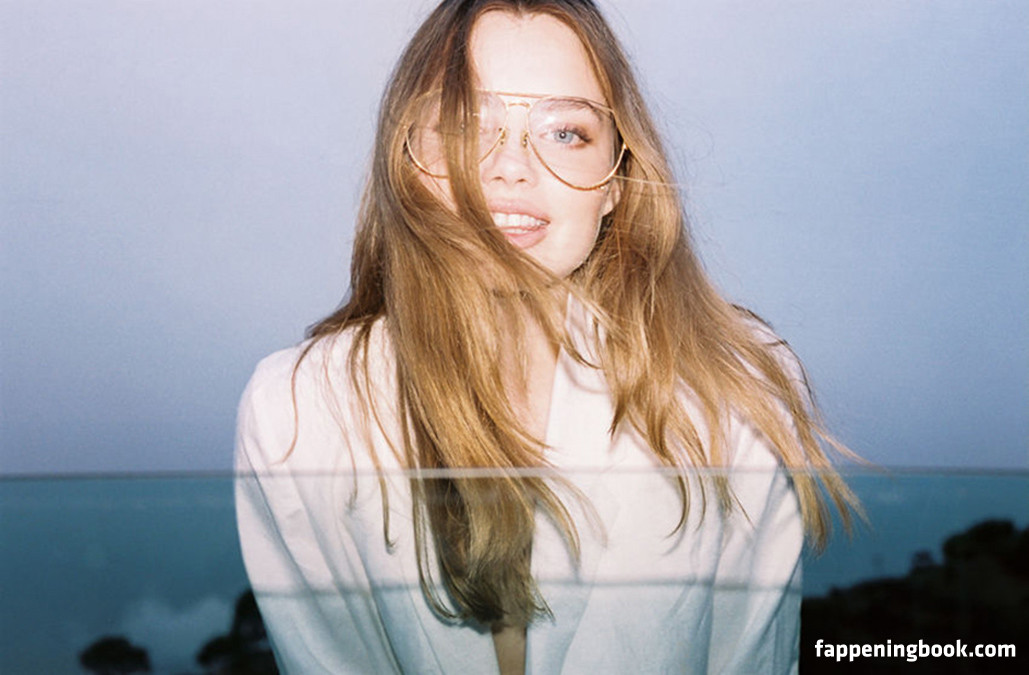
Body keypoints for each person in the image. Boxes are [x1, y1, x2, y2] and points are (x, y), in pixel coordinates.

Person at [235, 1, 860, 672]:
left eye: (565, 132)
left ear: (616, 179)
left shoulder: (733, 386)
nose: (511, 167)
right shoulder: (295, 410)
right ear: (405, 159)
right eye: (465, 125)